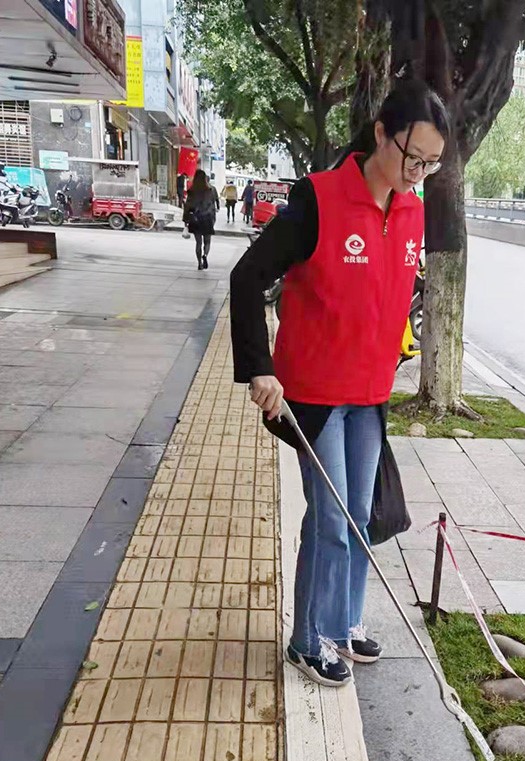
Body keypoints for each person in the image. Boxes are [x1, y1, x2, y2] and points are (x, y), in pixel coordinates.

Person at [230, 80, 448, 686]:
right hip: (315, 393)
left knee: (359, 515)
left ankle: (344, 622)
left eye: (430, 164)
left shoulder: (413, 211)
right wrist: (259, 367)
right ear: (381, 134)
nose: (418, 174)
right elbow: (247, 278)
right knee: (329, 517)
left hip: (370, 393)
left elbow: (392, 292)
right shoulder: (319, 199)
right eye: (413, 158)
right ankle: (308, 640)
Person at [183, 169, 219, 270]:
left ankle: (199, 263)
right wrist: (213, 219)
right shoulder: (210, 190)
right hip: (207, 218)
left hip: (195, 219)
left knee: (198, 242)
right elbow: (212, 205)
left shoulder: (192, 191)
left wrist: (186, 220)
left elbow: (187, 206)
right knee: (207, 241)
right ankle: (205, 255)